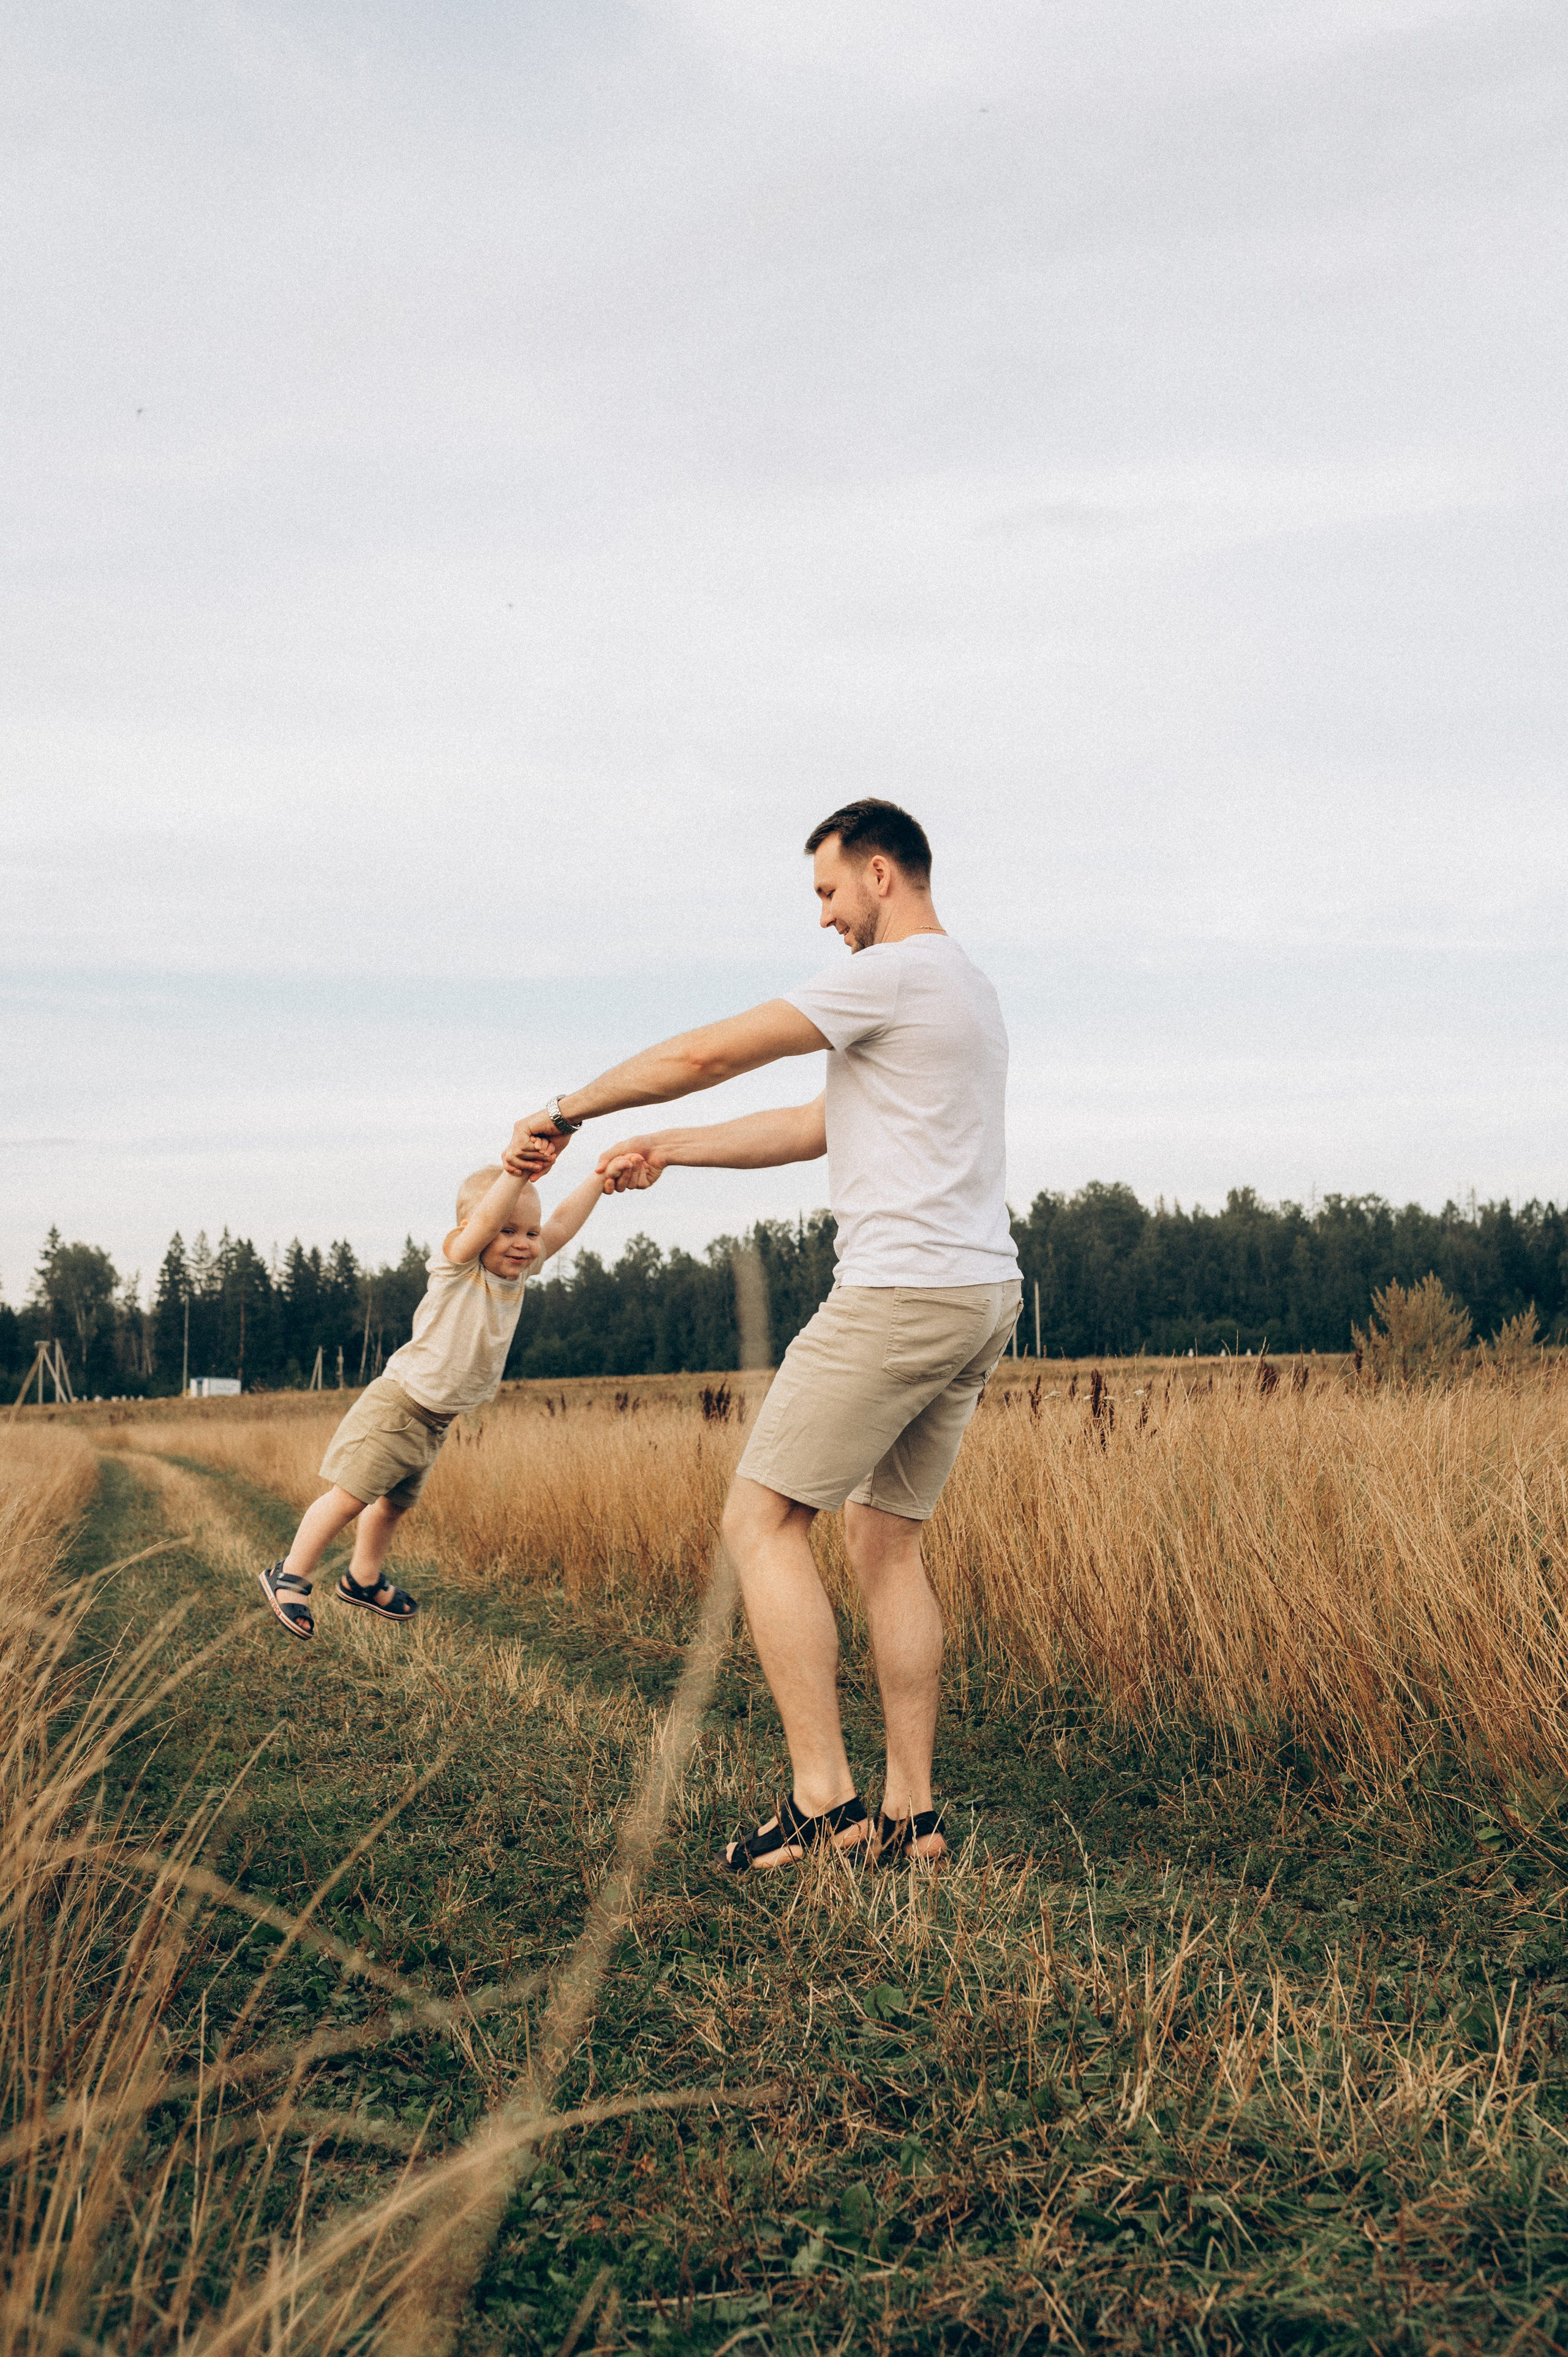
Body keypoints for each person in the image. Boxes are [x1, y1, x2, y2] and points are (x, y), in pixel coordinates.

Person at [506, 799, 1020, 1869]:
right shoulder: (967, 989)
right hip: (977, 1292)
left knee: (762, 1519)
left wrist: (573, 1108)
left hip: (897, 1291)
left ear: (880, 873)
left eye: (829, 892)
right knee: (887, 1541)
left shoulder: (895, 973)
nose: (827, 919)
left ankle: (824, 1802)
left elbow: (708, 1051)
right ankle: (911, 1817)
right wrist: (671, 1148)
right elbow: (813, 1126)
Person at [258, 1155, 637, 1640]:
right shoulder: (458, 1264)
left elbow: (560, 1224)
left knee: (394, 1505)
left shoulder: (518, 1272)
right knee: (348, 1498)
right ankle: (290, 1575)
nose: (522, 1243)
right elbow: (482, 1223)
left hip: (435, 1421)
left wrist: (599, 1180)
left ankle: (363, 1578)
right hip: (399, 1406)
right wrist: (516, 1173)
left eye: (530, 1233)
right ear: (476, 1230)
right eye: (508, 1230)